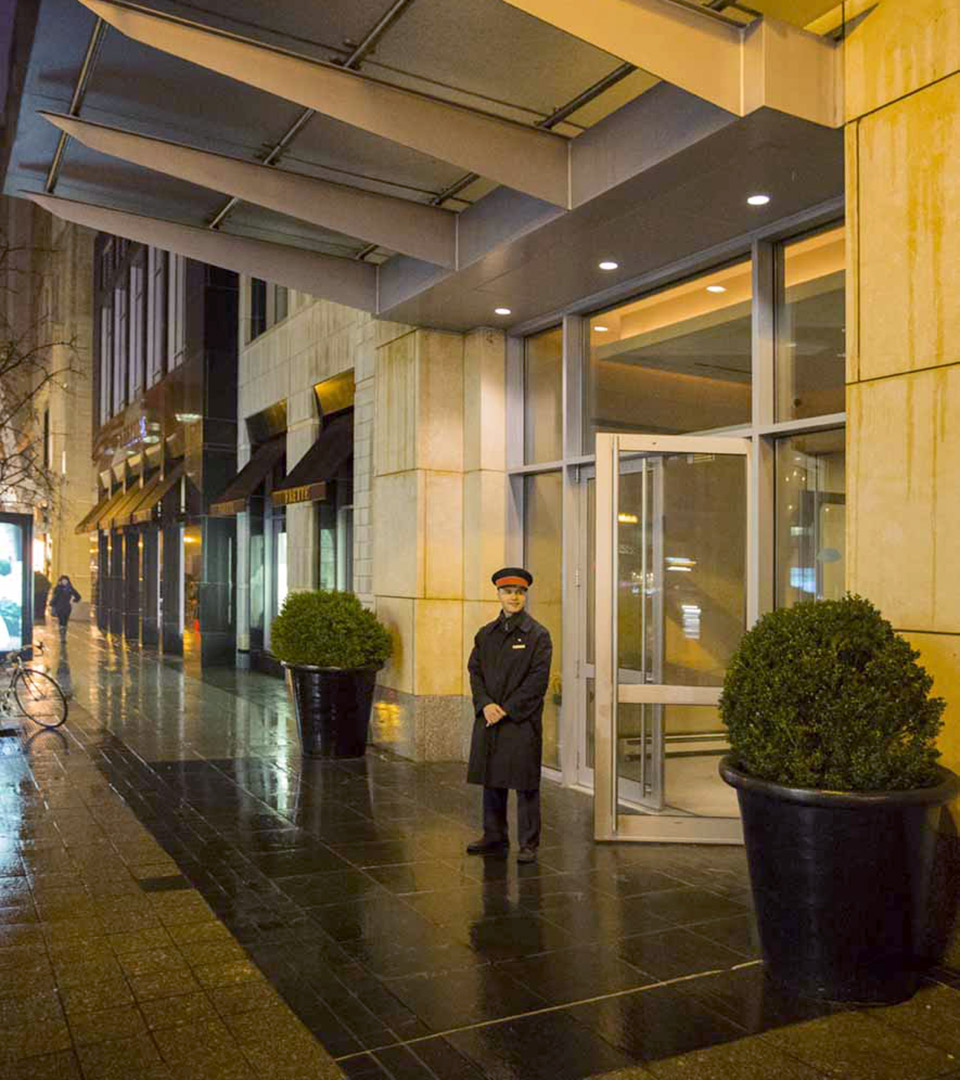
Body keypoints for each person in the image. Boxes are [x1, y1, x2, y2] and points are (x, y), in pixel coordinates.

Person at [466, 567, 552, 864]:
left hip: (520, 720)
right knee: (493, 778)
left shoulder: (538, 635)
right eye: (508, 591)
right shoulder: (485, 634)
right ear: (499, 595)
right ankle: (494, 835)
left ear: (525, 595)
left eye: (519, 592)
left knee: (526, 783)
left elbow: (537, 682)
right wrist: (485, 704)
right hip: (489, 716)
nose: (514, 597)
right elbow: (475, 672)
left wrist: (506, 709)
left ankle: (528, 843)